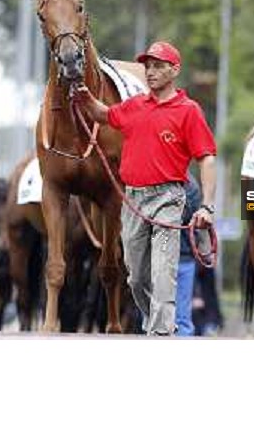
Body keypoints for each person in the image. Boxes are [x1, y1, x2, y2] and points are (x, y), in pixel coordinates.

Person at [75, 40, 217, 336]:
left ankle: (161, 333)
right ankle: (155, 322)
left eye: (158, 66)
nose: (150, 72)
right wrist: (84, 97)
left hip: (168, 198)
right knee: (136, 278)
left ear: (174, 70)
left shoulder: (188, 111)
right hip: (133, 201)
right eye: (148, 67)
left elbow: (206, 158)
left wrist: (207, 205)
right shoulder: (135, 106)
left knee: (163, 273)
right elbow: (104, 114)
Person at [175, 173, 202, 336]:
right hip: (159, 259)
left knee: (182, 318)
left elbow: (183, 216)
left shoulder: (191, 186)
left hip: (183, 258)